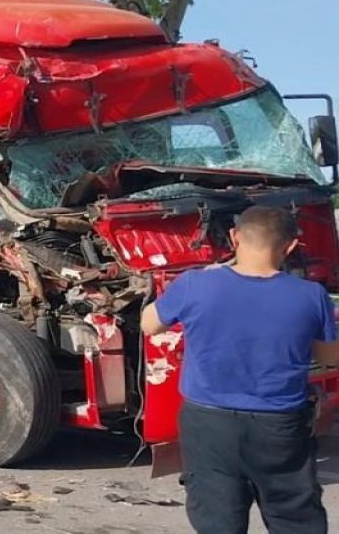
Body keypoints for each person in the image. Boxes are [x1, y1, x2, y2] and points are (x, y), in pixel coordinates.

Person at [141, 205, 339, 534]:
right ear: (290, 246)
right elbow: (329, 357)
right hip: (280, 428)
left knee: (218, 520)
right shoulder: (311, 295)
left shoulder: (194, 285)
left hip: (208, 424)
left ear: (235, 237)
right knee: (295, 518)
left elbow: (150, 325)